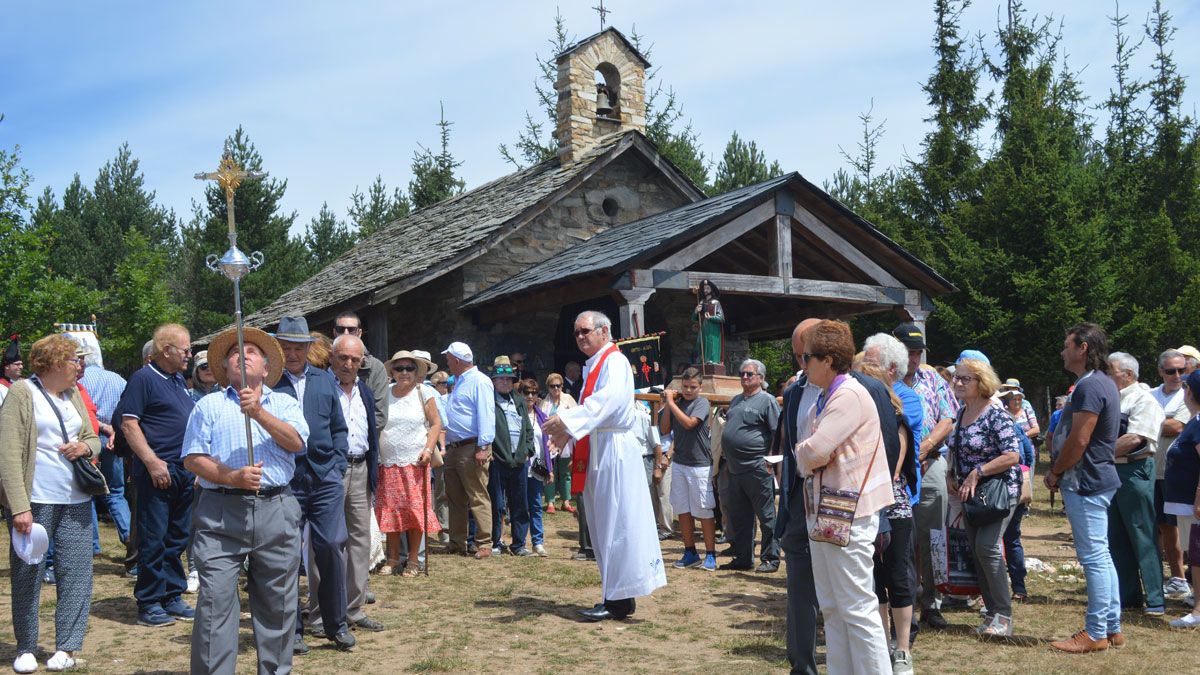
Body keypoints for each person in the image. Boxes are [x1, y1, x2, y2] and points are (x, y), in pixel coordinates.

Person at [181, 326, 308, 674]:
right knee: (215, 604)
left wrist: (258, 413)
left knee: (278, 605)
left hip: (276, 510)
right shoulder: (207, 406)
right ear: (227, 368)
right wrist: (232, 476)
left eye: (251, 351)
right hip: (220, 514)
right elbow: (193, 458)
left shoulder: (284, 403)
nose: (242, 355)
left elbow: (296, 442)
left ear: (266, 369)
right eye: (235, 353)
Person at [542, 310, 667, 621]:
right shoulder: (595, 364)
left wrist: (567, 421)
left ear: (604, 330)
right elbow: (592, 410)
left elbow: (607, 402)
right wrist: (566, 435)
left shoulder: (614, 361)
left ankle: (619, 598)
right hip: (600, 445)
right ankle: (614, 594)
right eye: (576, 333)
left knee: (616, 520)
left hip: (614, 449)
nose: (580, 337)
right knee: (602, 523)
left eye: (585, 330)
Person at [795, 320, 893, 673]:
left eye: (807, 357)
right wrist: (807, 451)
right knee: (833, 607)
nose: (802, 364)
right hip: (826, 513)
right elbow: (810, 447)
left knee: (858, 607)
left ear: (828, 360)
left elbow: (813, 450)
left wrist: (806, 452)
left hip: (848, 514)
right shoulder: (825, 396)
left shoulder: (848, 395)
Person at [0, 334, 101, 673]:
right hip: (35, 499)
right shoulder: (21, 393)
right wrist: (19, 507)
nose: (80, 366)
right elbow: (9, 453)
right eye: (75, 360)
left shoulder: (73, 395)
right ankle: (26, 646)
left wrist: (85, 448)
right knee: (28, 573)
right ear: (56, 362)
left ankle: (67, 647)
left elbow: (93, 438)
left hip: (76, 499)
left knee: (76, 574)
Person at [271, 316, 354, 653]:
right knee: (287, 554)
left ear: (308, 349)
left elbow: (338, 428)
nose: (292, 353)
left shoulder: (324, 381)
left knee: (333, 545)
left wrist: (336, 465)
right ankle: (292, 631)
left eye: (297, 347)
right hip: (287, 479)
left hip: (325, 478)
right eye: (286, 347)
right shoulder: (270, 382)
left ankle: (337, 625)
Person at [1046, 324, 1124, 653]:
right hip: (1094, 479)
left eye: (1067, 345)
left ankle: (1095, 633)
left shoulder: (1090, 386)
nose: (1062, 351)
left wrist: (1056, 472)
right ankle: (1111, 627)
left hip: (1086, 481)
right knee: (1101, 556)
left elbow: (1080, 440)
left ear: (1083, 348)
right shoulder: (1097, 383)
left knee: (1093, 558)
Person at [306, 334, 384, 635]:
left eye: (355, 360)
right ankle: (317, 613)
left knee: (360, 540)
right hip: (329, 472)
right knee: (324, 543)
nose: (349, 364)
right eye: (343, 358)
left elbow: (372, 433)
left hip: (361, 466)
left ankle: (352, 608)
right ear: (332, 358)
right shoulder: (319, 387)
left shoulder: (364, 390)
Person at [120, 323, 197, 627]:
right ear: (167, 350)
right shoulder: (143, 379)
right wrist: (152, 461)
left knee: (177, 537)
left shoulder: (177, 380)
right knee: (153, 538)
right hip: (158, 471)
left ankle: (172, 594)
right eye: (186, 349)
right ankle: (150, 600)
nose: (189, 355)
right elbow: (129, 424)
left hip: (182, 470)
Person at [946, 358, 1020, 637]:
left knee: (988, 549)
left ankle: (1004, 616)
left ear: (982, 382)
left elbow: (1012, 455)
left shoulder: (995, 414)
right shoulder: (962, 412)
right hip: (971, 496)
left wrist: (978, 472)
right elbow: (956, 448)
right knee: (978, 553)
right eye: (957, 378)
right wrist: (951, 474)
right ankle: (991, 613)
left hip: (999, 493)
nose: (959, 383)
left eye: (966, 379)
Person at [893, 322, 958, 631]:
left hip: (929, 466)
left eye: (918, 352)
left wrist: (927, 445)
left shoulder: (932, 378)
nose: (915, 358)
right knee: (897, 538)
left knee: (933, 537)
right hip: (893, 474)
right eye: (909, 352)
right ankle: (899, 599)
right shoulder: (884, 380)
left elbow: (949, 416)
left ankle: (931, 603)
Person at [774, 318, 823, 675]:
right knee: (800, 588)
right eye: (797, 358)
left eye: (805, 357)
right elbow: (789, 449)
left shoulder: (857, 388)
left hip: (841, 506)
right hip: (797, 504)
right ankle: (802, 666)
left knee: (844, 594)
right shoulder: (793, 393)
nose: (800, 365)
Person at [1106, 351, 1166, 615]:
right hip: (1110, 472)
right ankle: (1129, 597)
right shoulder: (1112, 398)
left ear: (1128, 375)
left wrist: (1095, 455)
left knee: (1142, 535)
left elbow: (1135, 439)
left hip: (1134, 470)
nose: (1106, 376)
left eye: (1111, 371)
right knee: (1116, 536)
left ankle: (1155, 600)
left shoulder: (1144, 400)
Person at [376, 350, 442, 574]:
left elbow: (435, 424)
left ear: (417, 372)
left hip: (416, 463)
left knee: (415, 512)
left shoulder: (424, 393)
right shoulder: (384, 393)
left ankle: (413, 559)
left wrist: (428, 449)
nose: (404, 372)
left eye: (409, 368)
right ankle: (393, 558)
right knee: (391, 511)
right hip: (388, 463)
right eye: (399, 368)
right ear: (392, 371)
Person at [719, 358, 781, 573]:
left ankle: (770, 558)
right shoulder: (736, 400)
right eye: (742, 373)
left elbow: (777, 433)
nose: (744, 377)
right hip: (735, 469)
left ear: (761, 378)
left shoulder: (767, 401)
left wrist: (771, 461)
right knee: (740, 517)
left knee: (766, 517)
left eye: (749, 374)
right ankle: (744, 558)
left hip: (757, 467)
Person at [439, 341, 495, 558]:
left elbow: (486, 415)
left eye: (448, 359)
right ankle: (457, 541)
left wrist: (483, 446)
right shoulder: (460, 381)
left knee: (477, 494)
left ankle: (484, 543)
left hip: (471, 446)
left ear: (457, 360)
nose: (446, 362)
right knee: (454, 496)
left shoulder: (480, 381)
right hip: (455, 447)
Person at [660, 367, 717, 572]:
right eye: (685, 386)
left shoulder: (701, 403)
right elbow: (665, 430)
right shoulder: (677, 403)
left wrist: (672, 403)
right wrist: (668, 406)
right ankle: (690, 551)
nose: (688, 390)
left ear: (700, 387)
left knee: (703, 509)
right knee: (682, 509)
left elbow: (689, 424)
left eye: (693, 387)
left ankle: (710, 554)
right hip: (680, 463)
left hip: (700, 465)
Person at [78, 342, 129, 549]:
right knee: (116, 492)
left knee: (87, 492)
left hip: (89, 439)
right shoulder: (118, 379)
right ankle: (129, 537)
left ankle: (92, 545)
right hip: (113, 440)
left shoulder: (80, 382)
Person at [1152, 349, 1192, 602]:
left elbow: (1177, 427)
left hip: (1180, 473)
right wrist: (1163, 422)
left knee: (1187, 529)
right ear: (1160, 372)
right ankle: (1178, 578)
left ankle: (1190, 579)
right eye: (1170, 371)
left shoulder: (1189, 394)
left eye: (1181, 370)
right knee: (1166, 527)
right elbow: (1167, 426)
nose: (1176, 376)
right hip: (1154, 471)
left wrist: (1148, 422)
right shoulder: (1151, 394)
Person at [1164, 371, 1200, 627]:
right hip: (1185, 501)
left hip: (1193, 502)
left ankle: (1198, 610)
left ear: (1189, 392)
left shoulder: (1198, 422)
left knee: (1197, 555)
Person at [489, 356, 534, 556]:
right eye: (502, 379)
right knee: (497, 504)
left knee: (520, 504)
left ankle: (519, 544)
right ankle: (495, 542)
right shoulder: (489, 400)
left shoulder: (518, 400)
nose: (506, 382)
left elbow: (528, 429)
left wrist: (528, 450)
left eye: (509, 379)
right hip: (498, 461)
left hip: (519, 460)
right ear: (494, 381)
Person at [333, 311, 389, 430]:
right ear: (334, 332)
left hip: (363, 444)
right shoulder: (323, 363)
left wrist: (349, 436)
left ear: (359, 333)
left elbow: (379, 417)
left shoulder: (376, 368)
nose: (346, 333)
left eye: (351, 329)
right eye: (340, 329)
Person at [538, 373, 578, 514]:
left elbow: (577, 419)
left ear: (562, 386)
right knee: (550, 471)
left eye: (558, 386)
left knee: (566, 472)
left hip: (566, 441)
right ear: (548, 387)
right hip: (550, 441)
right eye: (552, 386)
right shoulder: (543, 402)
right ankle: (550, 501)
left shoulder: (569, 400)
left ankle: (566, 501)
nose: (556, 389)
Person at [520, 378, 551, 556]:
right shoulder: (517, 414)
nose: (530, 396)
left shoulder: (542, 417)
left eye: (533, 393)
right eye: (526, 392)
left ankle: (538, 542)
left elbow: (548, 444)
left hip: (537, 468)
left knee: (536, 505)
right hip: (521, 466)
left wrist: (550, 469)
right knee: (521, 505)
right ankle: (521, 540)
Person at [692, 279, 724, 365]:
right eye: (704, 288)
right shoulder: (702, 302)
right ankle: (701, 359)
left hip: (713, 329)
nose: (705, 290)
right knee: (700, 343)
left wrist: (711, 317)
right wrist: (696, 311)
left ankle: (711, 360)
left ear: (711, 290)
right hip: (704, 327)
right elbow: (694, 318)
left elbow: (721, 318)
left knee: (711, 344)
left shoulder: (716, 302)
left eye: (707, 288)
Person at [0, 334, 22, 405]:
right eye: (17, 364)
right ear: (7, 366)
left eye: (21, 364)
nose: (21, 367)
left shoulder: (25, 383)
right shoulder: (1, 387)